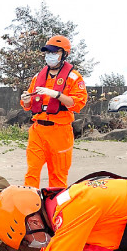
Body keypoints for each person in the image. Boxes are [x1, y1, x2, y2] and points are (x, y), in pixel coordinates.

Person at [19, 35, 87, 189]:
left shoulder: (74, 77)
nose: (50, 55)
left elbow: (78, 104)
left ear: (64, 54)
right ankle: (30, 207)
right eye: (48, 52)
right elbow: (27, 104)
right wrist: (26, 99)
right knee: (32, 172)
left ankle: (56, 210)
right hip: (38, 130)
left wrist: (56, 94)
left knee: (58, 176)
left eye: (54, 52)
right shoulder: (38, 77)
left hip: (60, 132)